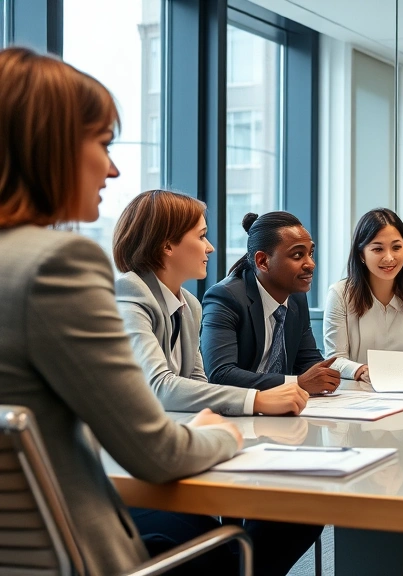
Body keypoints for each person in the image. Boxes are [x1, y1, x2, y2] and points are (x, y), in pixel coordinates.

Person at [0, 47, 242, 575]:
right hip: (74, 556)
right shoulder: (56, 265)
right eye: (103, 143)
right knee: (226, 543)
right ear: (48, 147)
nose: (112, 168)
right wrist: (225, 434)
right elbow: (155, 454)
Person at [113, 190, 309, 416]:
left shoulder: (189, 304)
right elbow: (159, 387)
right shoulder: (129, 296)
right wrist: (257, 400)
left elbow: (199, 383)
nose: (209, 247)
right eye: (201, 236)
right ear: (167, 246)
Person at [201, 211, 340, 396]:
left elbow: (307, 360)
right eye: (298, 255)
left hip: (282, 410)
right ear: (263, 261)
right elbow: (220, 374)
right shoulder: (225, 297)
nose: (311, 264)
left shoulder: (296, 298)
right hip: (233, 413)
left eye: (310, 253)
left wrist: (325, 375)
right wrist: (297, 383)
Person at [323, 208, 403, 383]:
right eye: (378, 249)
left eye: (396, 247)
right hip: (359, 393)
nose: (389, 258)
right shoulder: (339, 294)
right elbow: (334, 359)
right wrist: (361, 370)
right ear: (361, 254)